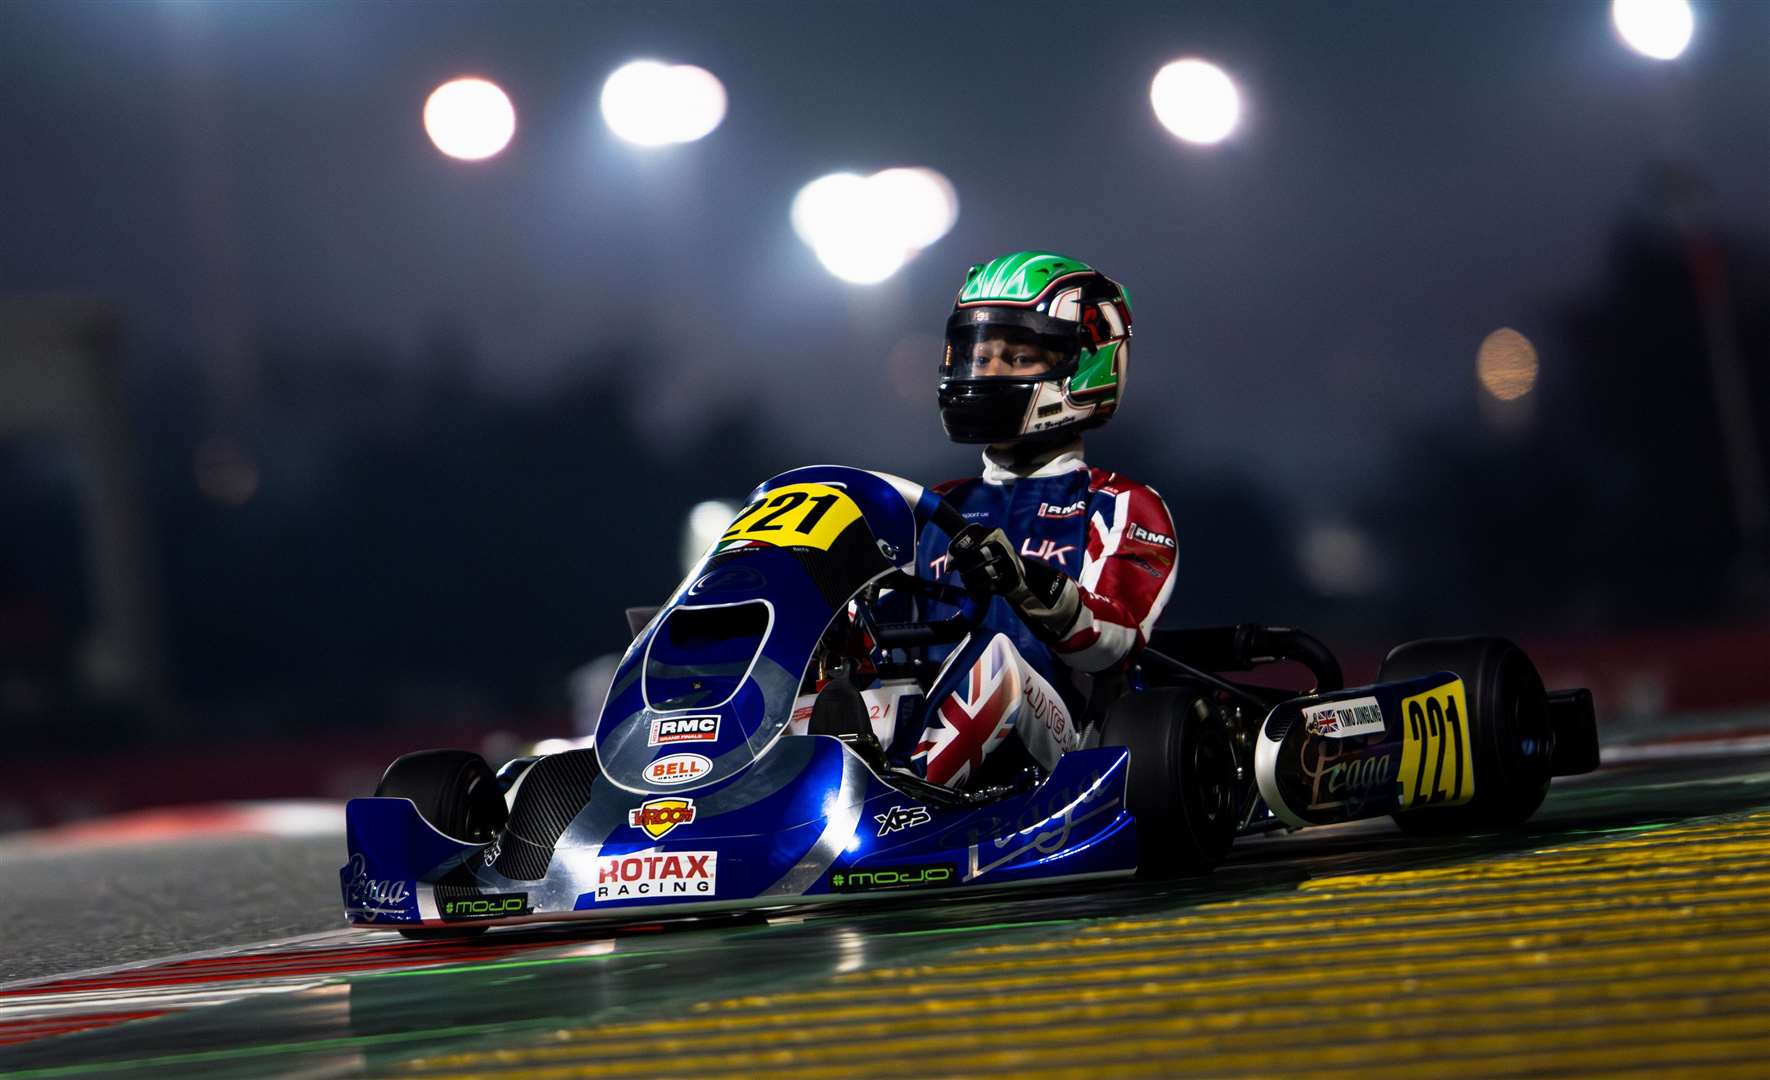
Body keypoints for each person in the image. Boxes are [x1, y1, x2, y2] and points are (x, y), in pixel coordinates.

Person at [906, 251, 1179, 788]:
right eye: (978, 356)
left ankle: (899, 804)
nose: (987, 373)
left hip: (1071, 744)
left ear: (1084, 363)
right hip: (919, 720)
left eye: (1018, 357)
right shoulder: (930, 506)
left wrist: (1027, 584)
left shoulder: (1120, 503)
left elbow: (1115, 640)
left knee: (999, 666)